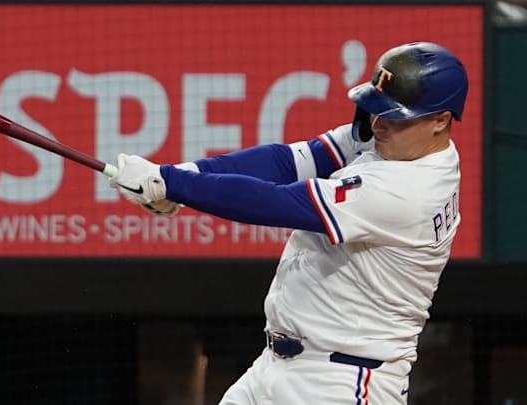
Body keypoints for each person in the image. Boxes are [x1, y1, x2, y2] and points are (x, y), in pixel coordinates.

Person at [110, 41, 468, 404]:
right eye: (377, 109)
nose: (378, 124)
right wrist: (177, 177)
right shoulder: (398, 142)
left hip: (343, 382)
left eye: (395, 116)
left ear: (441, 120)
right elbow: (288, 162)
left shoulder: (411, 192)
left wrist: (173, 182)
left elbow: (277, 202)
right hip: (276, 366)